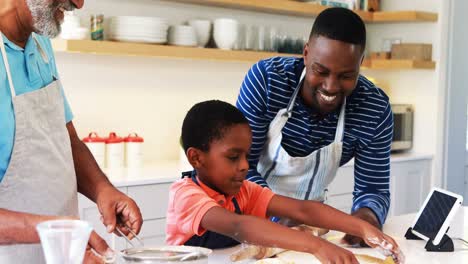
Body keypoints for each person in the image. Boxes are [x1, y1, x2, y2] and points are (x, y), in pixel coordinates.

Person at [166, 100, 403, 264]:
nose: (245, 166)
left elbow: (303, 209)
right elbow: (240, 227)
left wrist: (362, 227)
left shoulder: (244, 191)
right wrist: (316, 245)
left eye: (247, 156)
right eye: (233, 157)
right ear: (196, 157)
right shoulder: (186, 195)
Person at [236, 7, 393, 245]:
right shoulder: (267, 80)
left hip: (310, 229)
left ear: (361, 63)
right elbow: (240, 168)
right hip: (248, 221)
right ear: (306, 53)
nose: (331, 86)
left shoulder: (374, 109)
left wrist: (365, 218)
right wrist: (280, 213)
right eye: (321, 71)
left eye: (346, 76)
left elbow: (373, 189)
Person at [0, 1, 142, 263]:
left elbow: (65, 139)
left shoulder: (41, 44)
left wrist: (103, 190)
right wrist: (60, 233)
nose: (78, 3)